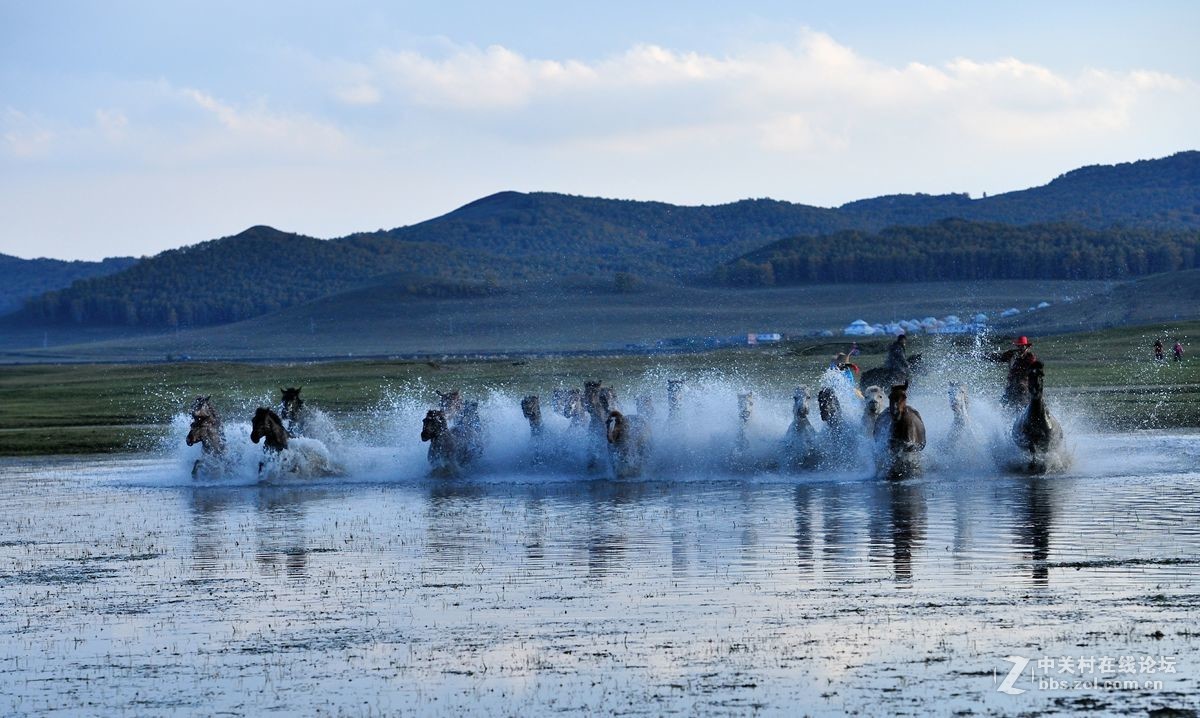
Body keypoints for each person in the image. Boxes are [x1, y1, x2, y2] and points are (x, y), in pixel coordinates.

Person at [989, 336, 1038, 408]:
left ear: (1027, 347)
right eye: (1019, 346)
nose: (1020, 349)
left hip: (1024, 385)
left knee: (1024, 399)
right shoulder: (1011, 354)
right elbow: (1000, 358)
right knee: (1003, 404)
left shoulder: (1030, 357)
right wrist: (988, 357)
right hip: (1012, 384)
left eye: (1022, 347)